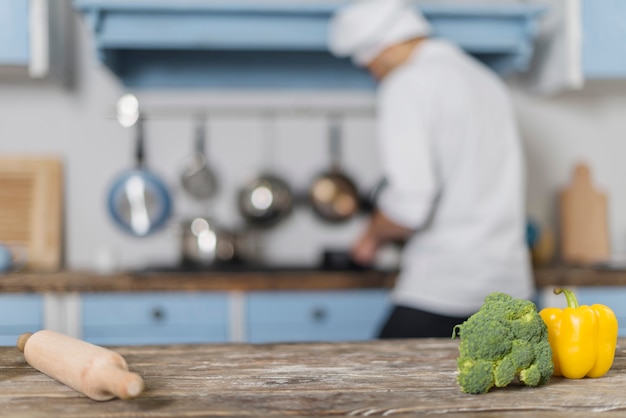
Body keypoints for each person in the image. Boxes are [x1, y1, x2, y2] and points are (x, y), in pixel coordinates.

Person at [327, 0, 534, 338]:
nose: (375, 75)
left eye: (370, 66)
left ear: (384, 50)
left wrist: (369, 238)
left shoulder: (407, 84)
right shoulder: (486, 80)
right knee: (502, 391)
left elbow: (411, 206)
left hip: (442, 291)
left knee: (380, 388)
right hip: (511, 292)